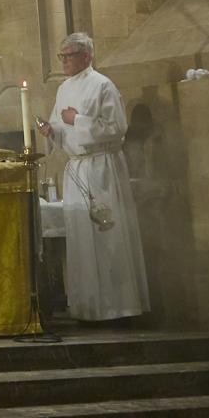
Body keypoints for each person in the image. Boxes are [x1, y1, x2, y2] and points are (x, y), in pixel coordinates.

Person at [36, 31, 149, 322]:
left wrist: (78, 121)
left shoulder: (103, 85)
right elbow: (62, 127)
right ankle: (88, 307)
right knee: (81, 239)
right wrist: (52, 131)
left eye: (69, 55)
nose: (63, 61)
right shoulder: (63, 89)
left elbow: (116, 128)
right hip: (77, 168)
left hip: (102, 168)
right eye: (61, 56)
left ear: (86, 56)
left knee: (107, 235)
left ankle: (118, 308)